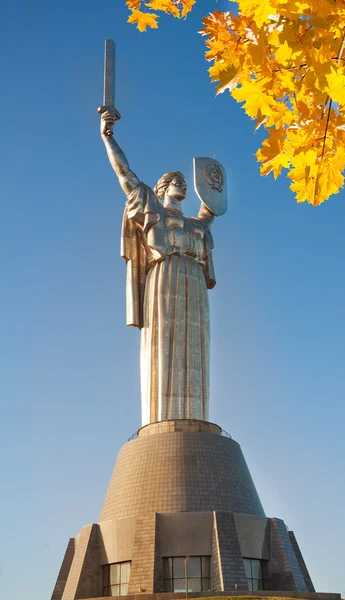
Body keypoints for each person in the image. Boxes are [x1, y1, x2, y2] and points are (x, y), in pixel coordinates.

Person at [100, 109, 216, 426]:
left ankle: (196, 420)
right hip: (163, 278)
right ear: (162, 189)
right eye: (175, 180)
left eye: (183, 181)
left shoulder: (197, 224)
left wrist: (213, 185)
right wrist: (108, 137)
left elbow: (214, 203)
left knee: (195, 350)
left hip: (193, 282)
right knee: (164, 347)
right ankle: (162, 421)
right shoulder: (153, 209)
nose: (182, 183)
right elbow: (126, 176)